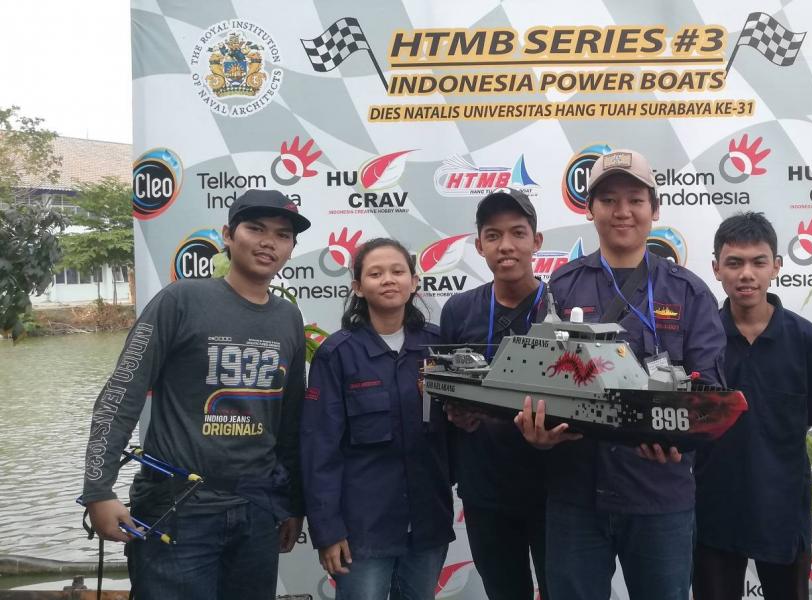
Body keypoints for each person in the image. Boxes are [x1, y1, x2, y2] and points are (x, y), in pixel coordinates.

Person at [516, 148, 726, 600]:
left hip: (659, 496)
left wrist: (682, 436)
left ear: (655, 209)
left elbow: (709, 391)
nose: (622, 211)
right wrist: (537, 431)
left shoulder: (688, 292)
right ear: (589, 209)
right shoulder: (561, 287)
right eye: (608, 200)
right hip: (576, 497)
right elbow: (537, 375)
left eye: (635, 199)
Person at [79, 189, 309, 599]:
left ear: (291, 248)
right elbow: (121, 394)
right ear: (228, 235)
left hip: (257, 511)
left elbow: (290, 421)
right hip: (179, 510)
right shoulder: (180, 300)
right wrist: (98, 490)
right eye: (255, 228)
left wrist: (292, 502)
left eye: (282, 235)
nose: (268, 242)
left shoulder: (288, 317)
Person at [301, 238, 452, 600]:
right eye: (375, 273)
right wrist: (327, 530)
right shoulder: (337, 354)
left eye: (398, 271)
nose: (388, 279)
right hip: (363, 530)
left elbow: (458, 431)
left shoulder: (440, 349)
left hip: (428, 523)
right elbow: (319, 448)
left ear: (414, 282)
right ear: (357, 287)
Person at [694, 212, 812, 600]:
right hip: (713, 509)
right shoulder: (701, 339)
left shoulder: (804, 338)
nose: (746, 274)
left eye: (758, 262)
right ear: (716, 269)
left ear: (776, 266)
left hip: (783, 509)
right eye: (734, 263)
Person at [439, 188, 551, 600]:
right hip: (485, 488)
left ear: (536, 242)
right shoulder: (459, 310)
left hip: (556, 489)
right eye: (493, 235)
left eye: (518, 233)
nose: (506, 246)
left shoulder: (561, 306)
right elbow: (444, 389)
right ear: (479, 245)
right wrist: (455, 413)